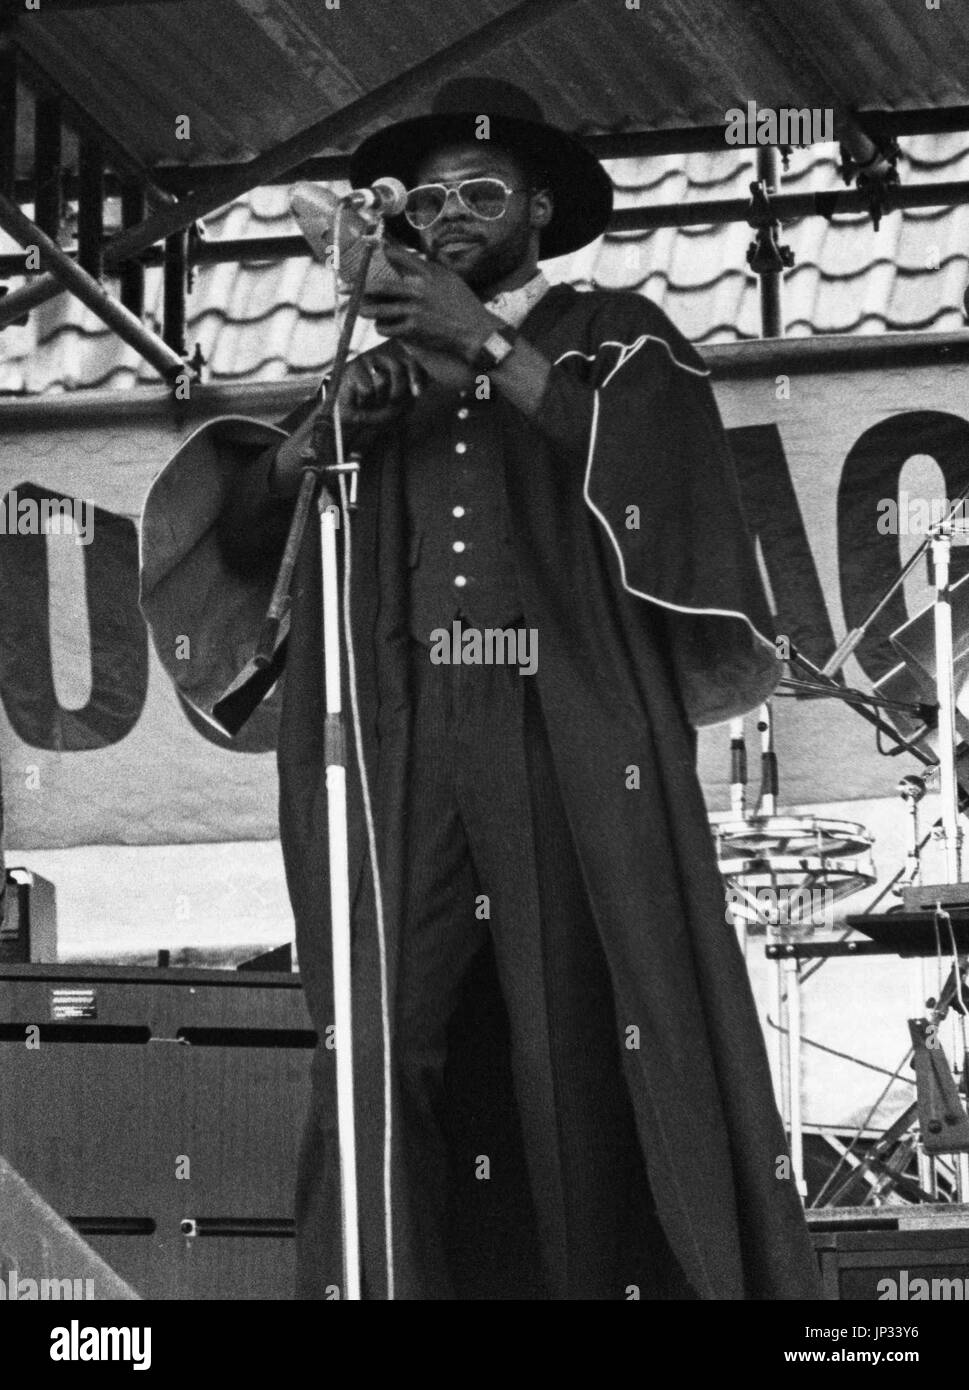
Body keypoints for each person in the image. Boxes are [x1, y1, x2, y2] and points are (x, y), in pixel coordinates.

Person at [139, 78, 821, 1301]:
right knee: (382, 1036)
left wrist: (485, 339)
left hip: (555, 730)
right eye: (431, 197)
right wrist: (323, 431)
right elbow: (245, 536)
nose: (452, 213)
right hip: (404, 740)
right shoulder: (382, 360)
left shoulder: (612, 327)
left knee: (571, 1039)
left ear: (540, 207)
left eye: (482, 192)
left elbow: (658, 480)